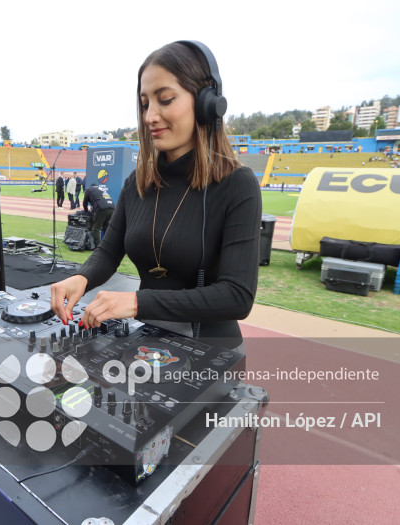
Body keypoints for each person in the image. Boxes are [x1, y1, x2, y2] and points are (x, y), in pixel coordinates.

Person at [50, 41, 261, 349]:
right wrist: (81, 278)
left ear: (207, 103)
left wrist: (137, 302)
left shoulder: (237, 184)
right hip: (148, 341)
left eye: (165, 100)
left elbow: (237, 296)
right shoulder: (136, 182)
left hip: (210, 351)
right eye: (145, 103)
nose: (150, 116)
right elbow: (109, 252)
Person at [82, 182, 115, 247]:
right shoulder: (100, 189)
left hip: (102, 208)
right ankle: (108, 246)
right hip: (112, 208)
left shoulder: (89, 190)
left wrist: (86, 211)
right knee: (107, 227)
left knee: (95, 228)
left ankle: (98, 247)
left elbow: (84, 202)